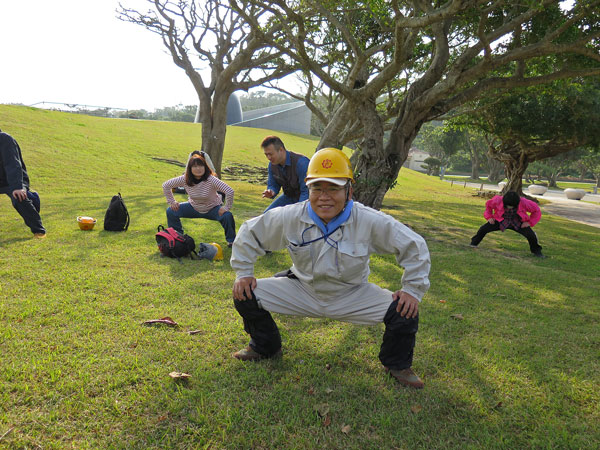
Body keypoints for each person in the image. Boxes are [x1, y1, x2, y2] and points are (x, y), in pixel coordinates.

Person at [230, 148, 431, 389]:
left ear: (349, 191)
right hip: (302, 289)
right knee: (245, 293)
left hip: (352, 294)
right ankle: (264, 346)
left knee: (405, 310)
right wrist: (244, 272)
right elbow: (250, 233)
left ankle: (397, 364)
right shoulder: (290, 216)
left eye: (334, 188)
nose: (324, 196)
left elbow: (414, 245)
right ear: (309, 190)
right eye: (317, 188)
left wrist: (411, 289)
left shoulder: (368, 220)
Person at [162, 153, 236, 247]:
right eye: (195, 166)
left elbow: (230, 191)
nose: (198, 169)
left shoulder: (211, 179)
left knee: (227, 216)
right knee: (171, 211)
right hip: (193, 207)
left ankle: (231, 241)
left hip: (212, 209)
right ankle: (177, 236)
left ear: (205, 167)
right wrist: (172, 202)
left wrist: (226, 207)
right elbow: (166, 185)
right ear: (190, 169)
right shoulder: (185, 179)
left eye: (201, 166)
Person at [0, 129, 46, 238]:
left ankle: (38, 230)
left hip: (14, 180)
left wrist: (17, 187)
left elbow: (13, 164)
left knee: (19, 198)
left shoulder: (5, 139)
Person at [470, 191, 545, 257]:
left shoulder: (524, 202)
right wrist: (489, 217)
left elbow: (536, 211)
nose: (509, 208)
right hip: (501, 220)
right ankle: (473, 244)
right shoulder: (497, 200)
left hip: (517, 221)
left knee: (531, 235)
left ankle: (537, 251)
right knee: (483, 229)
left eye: (512, 206)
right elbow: (488, 206)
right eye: (508, 206)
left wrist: (529, 222)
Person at [261, 136, 310, 212]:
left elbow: (306, 192)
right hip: (288, 197)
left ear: (281, 150)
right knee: (266, 215)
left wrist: (299, 211)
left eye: (270, 154)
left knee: (296, 218)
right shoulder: (272, 165)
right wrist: (271, 191)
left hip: (306, 200)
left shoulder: (301, 163)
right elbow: (273, 184)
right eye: (266, 155)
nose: (268, 157)